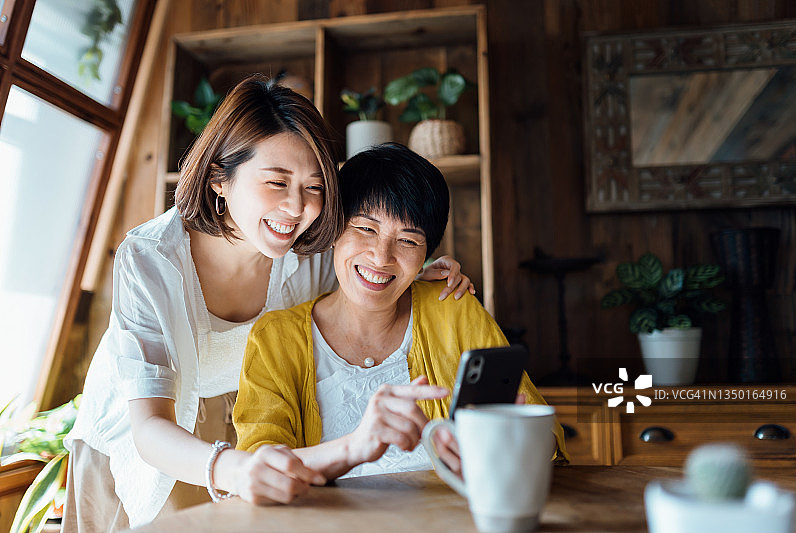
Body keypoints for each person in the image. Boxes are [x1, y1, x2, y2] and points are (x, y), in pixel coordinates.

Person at [62, 77, 473, 532]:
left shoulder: (311, 252)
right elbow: (148, 427)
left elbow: (371, 265)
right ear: (219, 177)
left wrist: (422, 272)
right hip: (144, 436)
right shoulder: (149, 258)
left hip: (245, 427)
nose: (296, 208)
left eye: (314, 187)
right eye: (277, 182)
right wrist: (234, 468)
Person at [234, 143, 568, 482]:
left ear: (426, 253)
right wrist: (353, 446)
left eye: (408, 241)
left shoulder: (452, 310)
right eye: (366, 229)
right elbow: (257, 467)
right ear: (334, 229)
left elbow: (545, 433)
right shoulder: (275, 338)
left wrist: (512, 441)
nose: (381, 258)